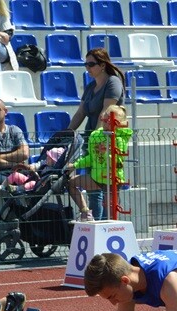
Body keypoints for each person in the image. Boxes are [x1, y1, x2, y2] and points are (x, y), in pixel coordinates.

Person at [66, 48, 125, 220]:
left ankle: (108, 222)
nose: (87, 68)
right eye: (86, 64)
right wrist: (67, 133)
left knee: (106, 187)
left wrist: (97, 138)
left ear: (102, 65)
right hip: (91, 140)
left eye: (91, 64)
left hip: (105, 143)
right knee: (94, 187)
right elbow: (80, 112)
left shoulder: (113, 83)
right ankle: (95, 223)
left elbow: (106, 113)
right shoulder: (91, 86)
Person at [66, 105, 131, 222]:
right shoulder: (95, 135)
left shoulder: (120, 139)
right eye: (104, 120)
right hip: (96, 178)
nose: (106, 124)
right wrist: (75, 165)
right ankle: (86, 212)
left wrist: (106, 152)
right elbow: (91, 158)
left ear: (118, 123)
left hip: (113, 181)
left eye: (109, 121)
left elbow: (118, 162)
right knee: (71, 183)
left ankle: (108, 232)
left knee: (109, 216)